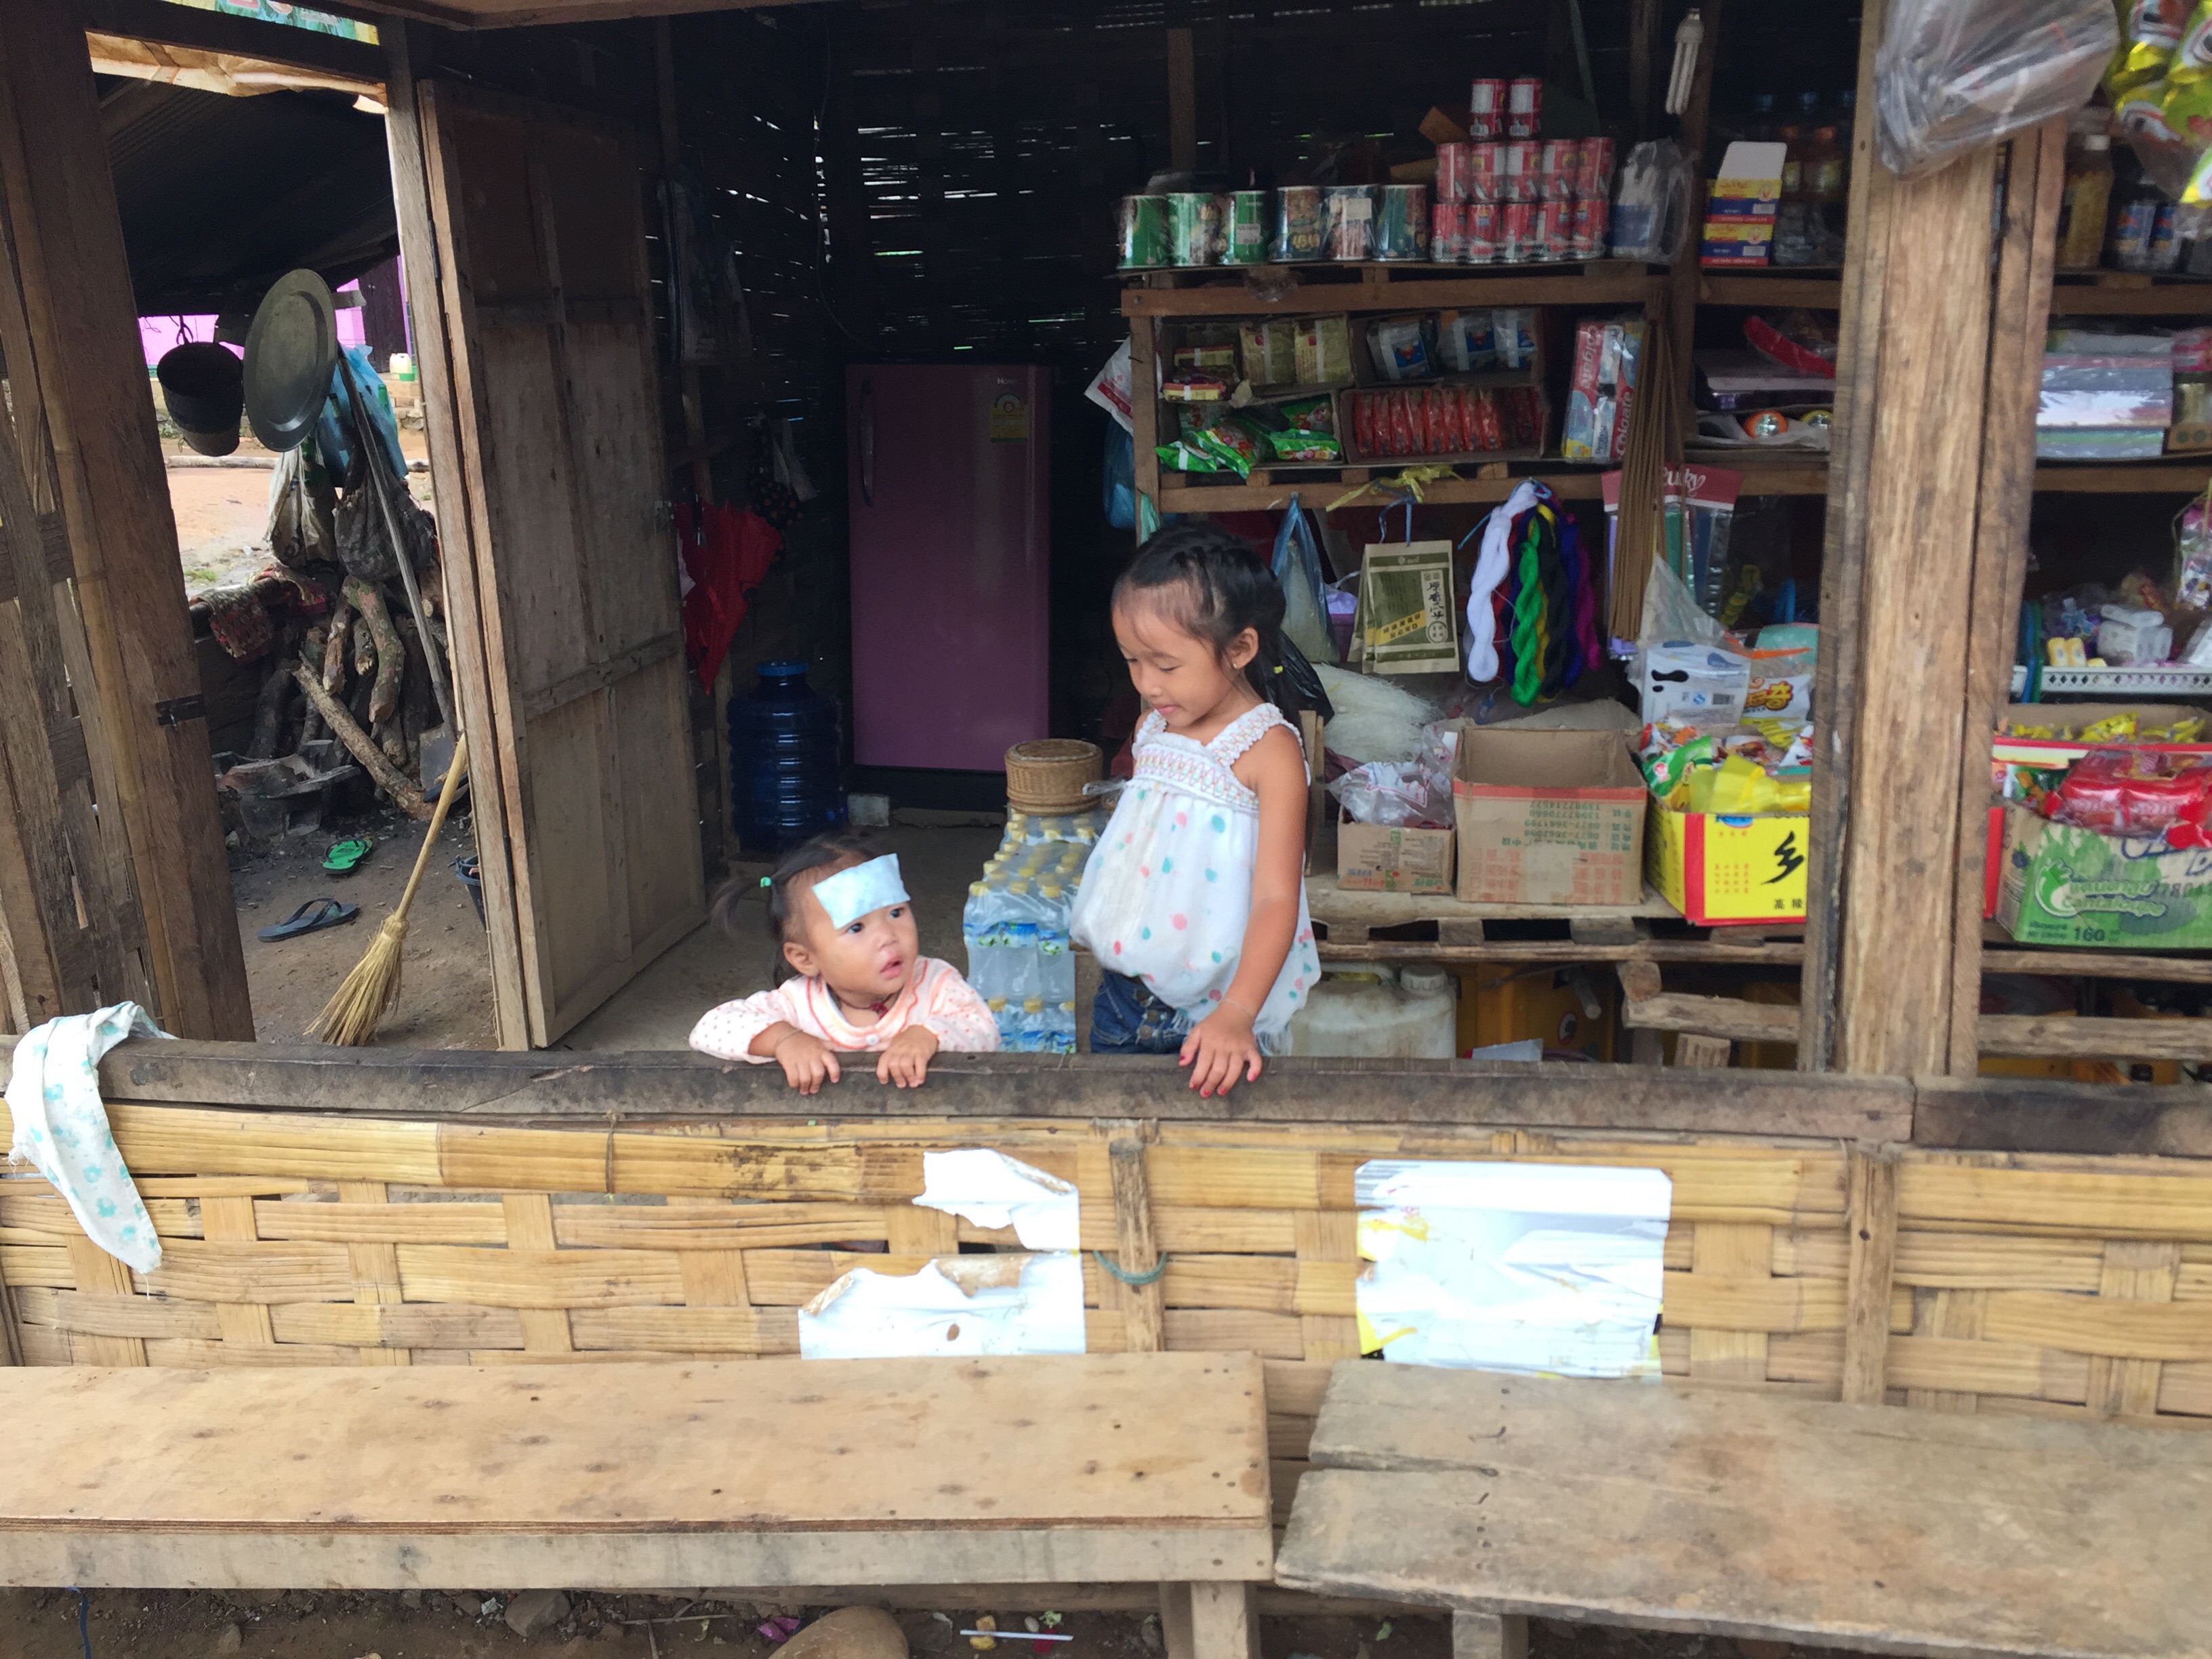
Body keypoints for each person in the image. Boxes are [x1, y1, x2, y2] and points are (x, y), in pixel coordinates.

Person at [1071, 522, 1324, 1095]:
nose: (1147, 684)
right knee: (1119, 1127)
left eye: (1166, 666)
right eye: (1132, 661)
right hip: (1123, 997)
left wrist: (1237, 1013)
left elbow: (1277, 897)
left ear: (1239, 649)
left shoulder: (1268, 750)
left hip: (1220, 1011)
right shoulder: (1153, 727)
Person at [690, 834, 998, 1092]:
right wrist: (784, 1039)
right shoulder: (798, 1002)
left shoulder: (936, 983)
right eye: (856, 928)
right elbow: (710, 1028)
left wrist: (928, 1035)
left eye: (896, 913)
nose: (888, 936)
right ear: (805, 958)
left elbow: (986, 1031)